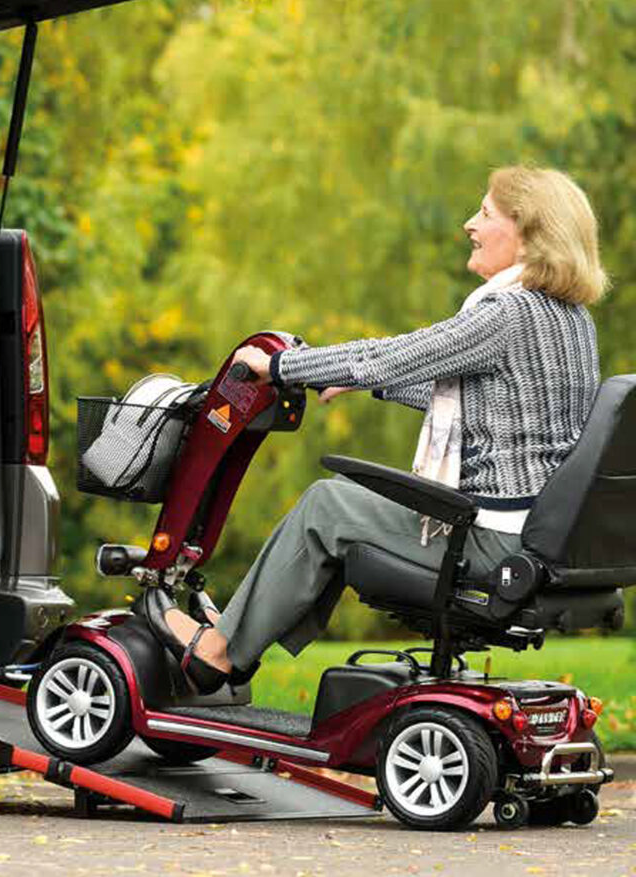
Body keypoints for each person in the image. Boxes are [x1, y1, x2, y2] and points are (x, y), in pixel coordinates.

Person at [148, 166, 606, 694]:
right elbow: (487, 411)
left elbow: (391, 356)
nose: (469, 224)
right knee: (344, 514)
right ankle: (244, 641)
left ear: (526, 230)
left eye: (484, 213)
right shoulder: (569, 320)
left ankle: (219, 653)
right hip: (537, 540)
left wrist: (278, 368)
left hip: (490, 542)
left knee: (328, 505)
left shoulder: (506, 312)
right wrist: (364, 385)